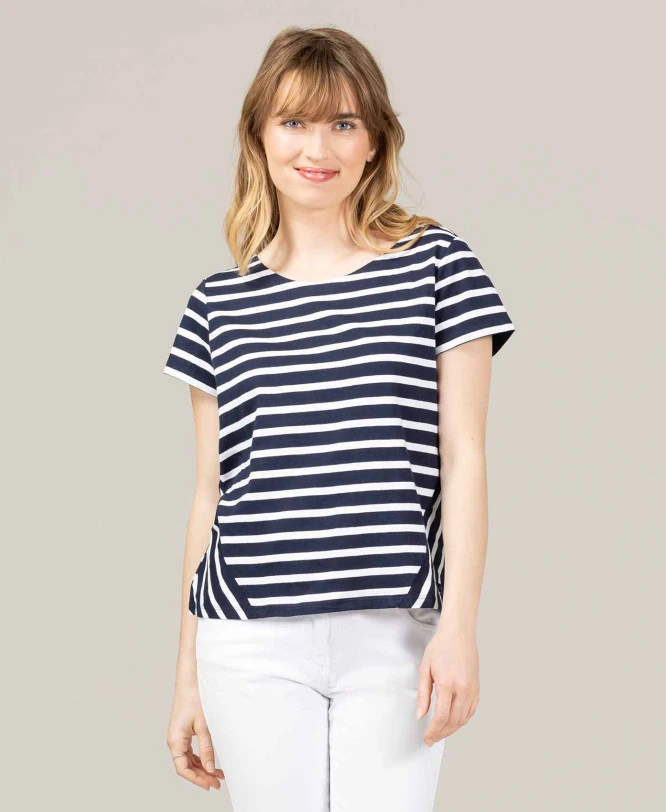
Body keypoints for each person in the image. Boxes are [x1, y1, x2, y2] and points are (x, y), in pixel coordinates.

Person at [162, 25, 515, 812]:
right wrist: (187, 677)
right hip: (247, 639)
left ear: (375, 140)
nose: (316, 148)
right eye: (293, 121)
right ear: (259, 136)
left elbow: (465, 456)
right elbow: (211, 494)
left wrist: (459, 628)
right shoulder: (218, 306)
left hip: (395, 635)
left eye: (342, 123)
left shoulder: (439, 267)